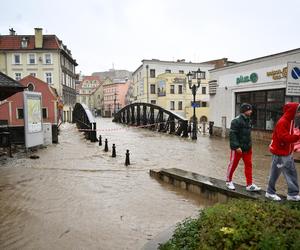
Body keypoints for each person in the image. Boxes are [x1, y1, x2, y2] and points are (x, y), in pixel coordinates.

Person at [265, 102, 300, 201]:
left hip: (285, 152)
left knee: (277, 172)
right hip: (281, 153)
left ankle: (270, 192)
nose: (299, 114)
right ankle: (291, 194)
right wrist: (297, 137)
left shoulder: (290, 121)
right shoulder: (283, 122)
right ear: (292, 112)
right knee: (289, 172)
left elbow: (289, 135)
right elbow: (284, 137)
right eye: (298, 112)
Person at [226, 103, 261, 191]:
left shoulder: (248, 120)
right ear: (244, 111)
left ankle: (249, 184)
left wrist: (249, 146)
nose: (251, 111)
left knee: (249, 165)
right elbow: (232, 134)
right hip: (238, 149)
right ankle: (228, 181)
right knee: (233, 164)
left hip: (247, 148)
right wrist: (236, 147)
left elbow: (247, 135)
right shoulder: (236, 121)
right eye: (249, 110)